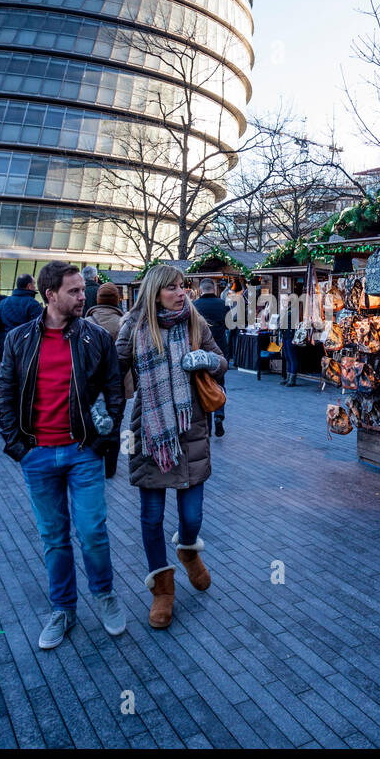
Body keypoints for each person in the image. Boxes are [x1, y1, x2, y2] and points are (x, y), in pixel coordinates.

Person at [0, 261, 126, 647]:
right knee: (53, 537)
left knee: (92, 532)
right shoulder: (20, 339)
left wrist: (104, 439)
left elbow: (114, 390)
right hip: (37, 455)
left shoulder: (96, 337)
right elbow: (4, 390)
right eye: (74, 291)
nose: (82, 296)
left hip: (83, 451)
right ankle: (63, 609)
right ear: (50, 295)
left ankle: (104, 595)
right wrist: (17, 446)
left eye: (82, 290)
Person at [116, 264, 227, 629]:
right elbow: (113, 372)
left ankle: (187, 549)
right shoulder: (133, 327)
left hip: (190, 428)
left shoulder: (195, 322)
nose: (182, 293)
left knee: (192, 516)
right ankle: (162, 590)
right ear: (154, 292)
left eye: (183, 286)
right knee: (150, 518)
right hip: (151, 432)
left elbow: (222, 360)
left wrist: (209, 360)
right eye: (173, 288)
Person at [86, 282, 131, 478]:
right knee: (115, 423)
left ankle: (94, 461)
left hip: (91, 383)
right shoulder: (123, 323)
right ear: (116, 301)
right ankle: (110, 468)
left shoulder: (86, 321)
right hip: (118, 383)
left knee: (93, 421)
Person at [0, 274, 42, 391]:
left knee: (9, 379)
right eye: (34, 284)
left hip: (7, 346)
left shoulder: (4, 303)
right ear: (29, 286)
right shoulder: (33, 304)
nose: (34, 286)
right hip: (27, 349)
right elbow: (39, 328)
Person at [192, 278, 229, 435]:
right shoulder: (223, 305)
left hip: (200, 352)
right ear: (214, 289)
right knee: (219, 383)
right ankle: (219, 414)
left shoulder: (194, 306)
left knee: (203, 385)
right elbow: (229, 325)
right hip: (219, 349)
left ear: (201, 290)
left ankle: (207, 422)